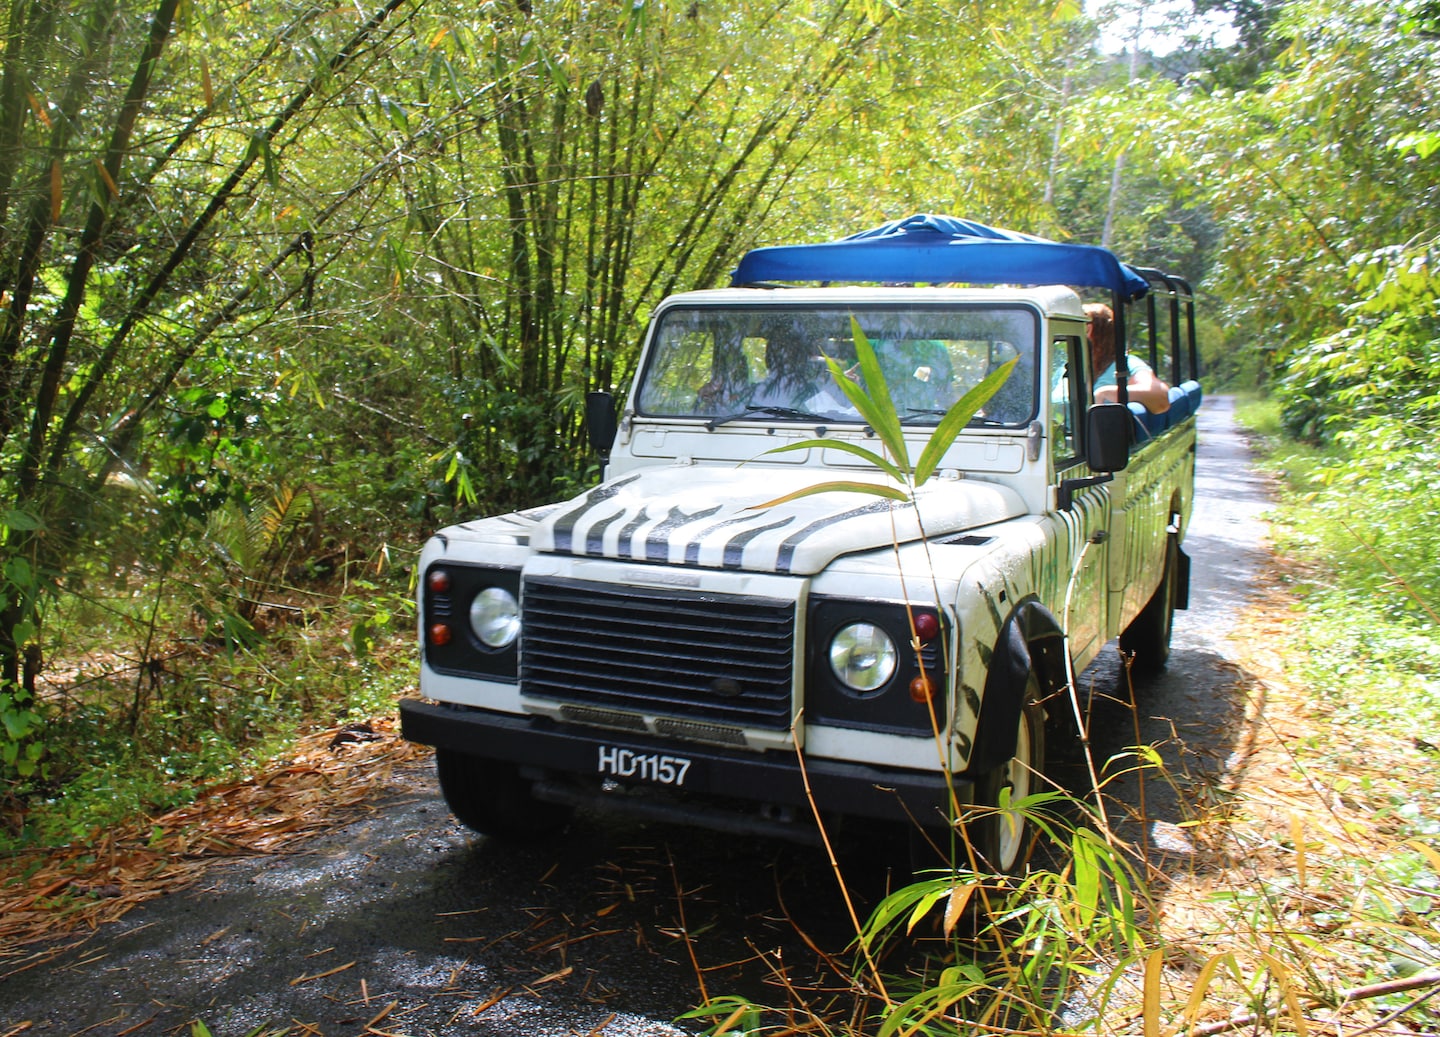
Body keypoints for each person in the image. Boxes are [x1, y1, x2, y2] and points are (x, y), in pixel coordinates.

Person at [1086, 302, 1170, 414]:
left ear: (1089, 330)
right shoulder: (1066, 365)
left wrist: (1104, 392)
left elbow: (1159, 396)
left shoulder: (1125, 363)